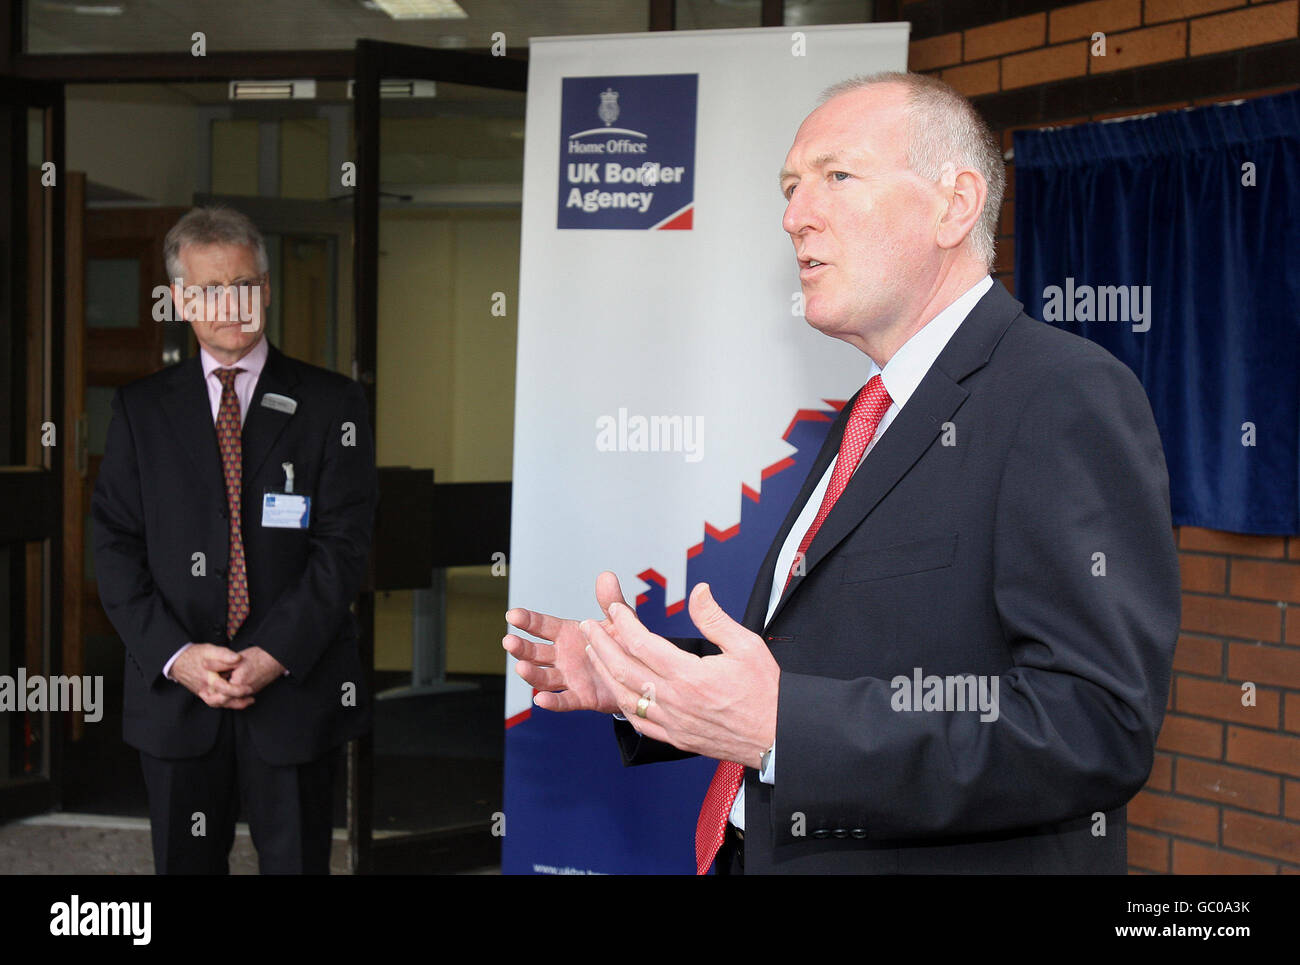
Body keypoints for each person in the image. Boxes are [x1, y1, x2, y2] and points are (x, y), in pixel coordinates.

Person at [503, 72, 1180, 874]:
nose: (794, 216)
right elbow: (831, 657)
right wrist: (643, 678)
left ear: (954, 204)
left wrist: (784, 729)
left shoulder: (1062, 393)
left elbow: (1094, 726)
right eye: (790, 187)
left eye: (836, 176)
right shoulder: (873, 410)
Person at [92, 206, 377, 874]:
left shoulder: (332, 404)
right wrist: (178, 655)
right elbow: (114, 547)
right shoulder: (139, 410)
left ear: (268, 288)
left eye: (245, 283)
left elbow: (344, 545)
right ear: (181, 299)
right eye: (210, 290)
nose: (232, 304)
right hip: (178, 698)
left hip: (295, 692)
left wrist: (273, 652)